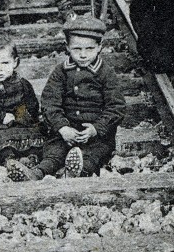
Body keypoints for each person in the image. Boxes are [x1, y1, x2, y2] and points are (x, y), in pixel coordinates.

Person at [9, 15, 127, 181]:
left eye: (89, 49)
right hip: (65, 131)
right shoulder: (61, 72)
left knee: (93, 155)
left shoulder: (105, 73)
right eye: (77, 49)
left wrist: (96, 129)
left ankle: (77, 172)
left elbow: (116, 106)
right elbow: (50, 102)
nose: (83, 55)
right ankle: (37, 173)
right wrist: (62, 127)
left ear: (99, 47)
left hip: (97, 136)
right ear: (67, 47)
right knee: (54, 153)